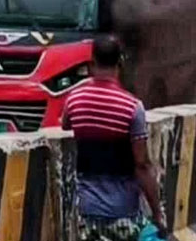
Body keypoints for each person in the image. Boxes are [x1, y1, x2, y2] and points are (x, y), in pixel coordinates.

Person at [62, 34, 165, 241]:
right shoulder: (132, 108)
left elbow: (66, 127)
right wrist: (157, 212)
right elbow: (142, 165)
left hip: (85, 213)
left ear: (91, 64)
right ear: (120, 64)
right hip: (123, 214)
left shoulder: (73, 100)